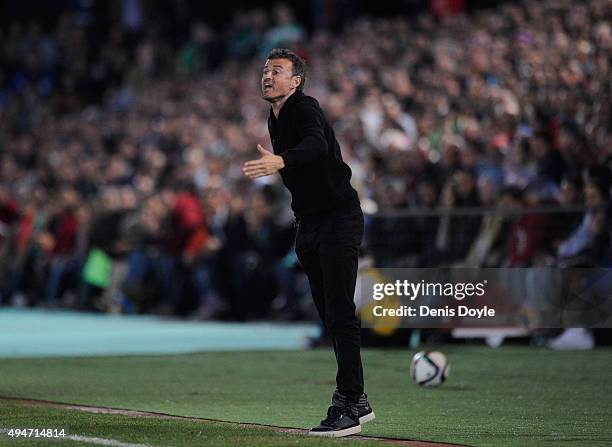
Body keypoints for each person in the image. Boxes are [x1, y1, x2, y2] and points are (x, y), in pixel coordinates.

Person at [242, 48, 374, 437]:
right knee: (330, 316)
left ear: (295, 81)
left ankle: (352, 401)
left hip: (338, 219)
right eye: (266, 70)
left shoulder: (305, 108)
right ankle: (353, 400)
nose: (268, 76)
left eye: (277, 71)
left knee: (340, 313)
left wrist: (281, 160)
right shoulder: (275, 116)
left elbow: (316, 145)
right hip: (311, 225)